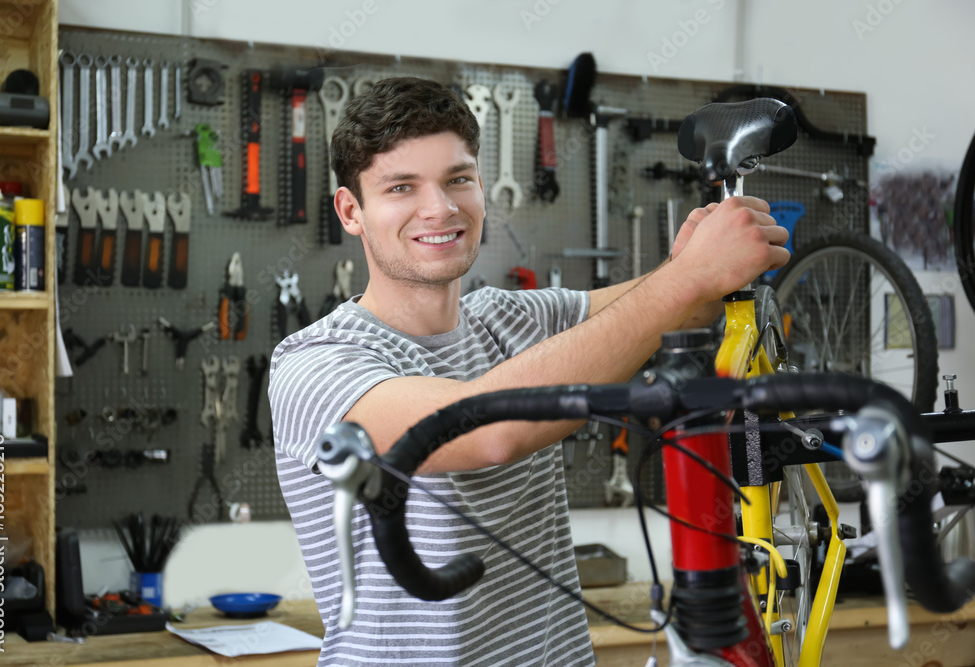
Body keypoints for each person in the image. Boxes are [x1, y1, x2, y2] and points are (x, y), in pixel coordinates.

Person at [269, 76, 788, 666]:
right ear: (350, 211)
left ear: (482, 187)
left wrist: (697, 260)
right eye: (401, 187)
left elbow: (670, 306)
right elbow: (483, 431)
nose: (439, 207)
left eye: (458, 179)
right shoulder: (312, 364)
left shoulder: (509, 318)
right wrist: (686, 278)